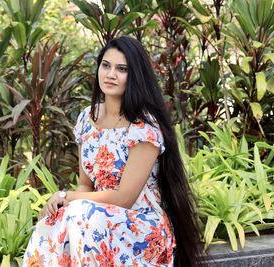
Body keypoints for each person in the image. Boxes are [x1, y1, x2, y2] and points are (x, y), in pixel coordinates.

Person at [22, 36, 202, 266]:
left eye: (121, 69)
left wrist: (66, 197)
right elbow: (86, 185)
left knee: (77, 214)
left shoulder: (143, 128)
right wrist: (63, 206)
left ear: (134, 75)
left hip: (140, 227)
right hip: (93, 218)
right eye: (106, 65)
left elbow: (124, 198)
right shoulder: (87, 119)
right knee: (54, 219)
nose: (110, 74)